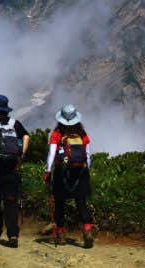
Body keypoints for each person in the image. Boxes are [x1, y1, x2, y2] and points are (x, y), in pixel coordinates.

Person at [0, 94, 30, 248]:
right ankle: (13, 235)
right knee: (11, 202)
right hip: (12, 169)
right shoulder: (15, 124)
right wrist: (21, 156)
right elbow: (27, 137)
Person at [43, 104, 94, 248]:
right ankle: (87, 230)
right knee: (81, 202)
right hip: (81, 173)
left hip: (62, 172)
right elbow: (88, 155)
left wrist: (47, 171)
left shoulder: (57, 133)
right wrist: (86, 170)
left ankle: (60, 234)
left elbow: (52, 154)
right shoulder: (82, 133)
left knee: (60, 203)